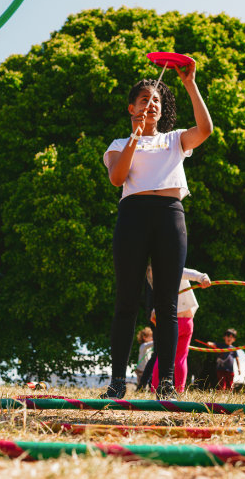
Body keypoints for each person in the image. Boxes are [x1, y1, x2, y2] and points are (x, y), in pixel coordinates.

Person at [100, 60, 213, 400]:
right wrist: (135, 138)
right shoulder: (119, 143)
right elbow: (117, 178)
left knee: (167, 304)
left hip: (169, 215)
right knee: (126, 302)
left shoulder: (175, 140)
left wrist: (190, 83)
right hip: (133, 215)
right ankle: (118, 382)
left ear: (162, 111)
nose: (151, 105)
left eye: (157, 101)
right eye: (144, 100)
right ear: (132, 107)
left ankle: (166, 384)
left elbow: (205, 129)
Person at [149, 266, 211, 393]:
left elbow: (162, 299)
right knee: (181, 357)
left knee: (162, 355)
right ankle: (179, 390)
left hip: (171, 322)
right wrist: (203, 277)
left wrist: (155, 312)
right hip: (187, 321)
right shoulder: (171, 268)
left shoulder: (158, 277)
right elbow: (190, 273)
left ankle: (155, 389)